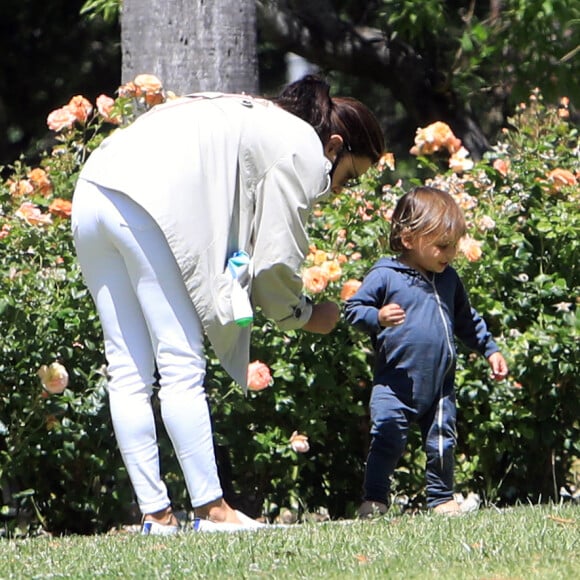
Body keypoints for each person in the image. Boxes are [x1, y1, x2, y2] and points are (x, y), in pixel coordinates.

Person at [71, 75, 385, 534]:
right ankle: (212, 512)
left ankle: (157, 516)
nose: (338, 189)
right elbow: (275, 265)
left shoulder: (256, 113)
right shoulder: (304, 147)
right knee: (180, 364)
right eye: (349, 176)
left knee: (128, 369)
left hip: (92, 191)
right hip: (143, 202)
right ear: (334, 145)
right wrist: (304, 315)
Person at [344, 186, 508, 517]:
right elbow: (353, 309)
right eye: (442, 246)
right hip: (396, 381)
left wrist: (489, 349)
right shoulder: (386, 275)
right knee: (388, 437)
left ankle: (441, 499)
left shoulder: (448, 279)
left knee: (443, 441)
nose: (450, 254)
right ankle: (374, 499)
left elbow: (467, 320)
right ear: (408, 239)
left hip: (440, 383)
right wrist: (377, 316)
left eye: (455, 246)